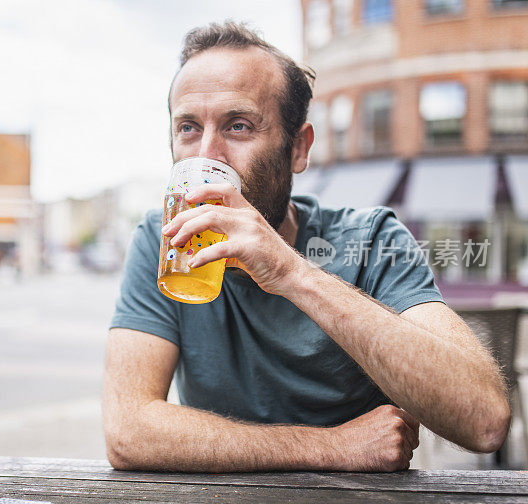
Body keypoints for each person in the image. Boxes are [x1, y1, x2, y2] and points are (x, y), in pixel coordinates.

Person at [102, 21, 510, 473]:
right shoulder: (161, 240)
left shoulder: (373, 241)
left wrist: (290, 273)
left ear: (298, 148)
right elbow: (128, 430)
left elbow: (484, 421)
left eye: (238, 126)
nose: (206, 156)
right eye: (188, 129)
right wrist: (333, 447)